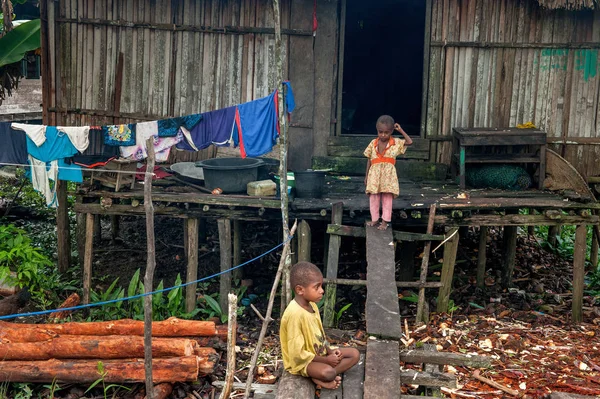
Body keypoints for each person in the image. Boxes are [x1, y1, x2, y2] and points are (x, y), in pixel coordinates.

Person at [280, 262, 360, 390]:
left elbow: (320, 336)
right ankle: (318, 378)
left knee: (354, 354)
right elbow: (297, 354)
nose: (322, 291)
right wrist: (327, 360)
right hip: (303, 362)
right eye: (316, 287)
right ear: (300, 290)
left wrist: (330, 351)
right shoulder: (294, 314)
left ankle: (319, 376)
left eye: (321, 286)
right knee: (329, 373)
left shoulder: (312, 306)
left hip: (319, 353)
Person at [364, 115, 413, 230]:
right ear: (377, 130)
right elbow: (369, 159)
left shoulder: (395, 143)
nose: (383, 135)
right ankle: (375, 219)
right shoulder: (373, 143)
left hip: (388, 177)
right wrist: (366, 176)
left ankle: (385, 222)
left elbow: (409, 142)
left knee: (387, 198)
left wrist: (400, 129)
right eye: (380, 132)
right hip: (374, 176)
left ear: (391, 131)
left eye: (386, 132)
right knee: (374, 197)